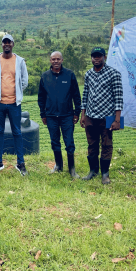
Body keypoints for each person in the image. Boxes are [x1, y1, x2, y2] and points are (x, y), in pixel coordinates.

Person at [80, 47, 123, 185]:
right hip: (91, 116)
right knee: (91, 145)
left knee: (106, 145)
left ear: (104, 57)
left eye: (99, 56)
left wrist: (117, 120)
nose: (96, 59)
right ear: (91, 58)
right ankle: (93, 171)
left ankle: (105, 174)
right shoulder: (88, 74)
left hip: (107, 117)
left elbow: (118, 98)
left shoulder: (114, 74)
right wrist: (83, 115)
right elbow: (85, 95)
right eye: (94, 56)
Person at [0, 34, 29, 176]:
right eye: (4, 42)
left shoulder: (20, 61)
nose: (6, 44)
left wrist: (15, 91)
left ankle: (20, 163)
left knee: (17, 132)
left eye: (9, 42)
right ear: (1, 45)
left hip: (14, 103)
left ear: (13, 44)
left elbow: (24, 81)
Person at [38, 51, 81, 179]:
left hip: (67, 115)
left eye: (58, 59)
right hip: (51, 115)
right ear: (50, 61)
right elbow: (41, 97)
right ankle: (58, 166)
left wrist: (77, 112)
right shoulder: (45, 76)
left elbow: (76, 96)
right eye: (53, 59)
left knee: (69, 142)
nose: (55, 61)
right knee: (54, 142)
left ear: (62, 60)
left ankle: (72, 169)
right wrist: (43, 114)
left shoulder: (70, 75)